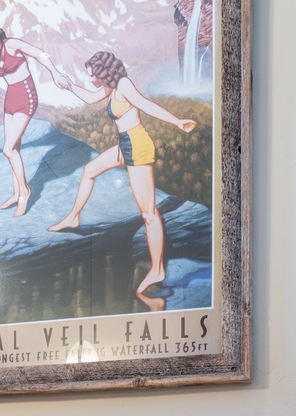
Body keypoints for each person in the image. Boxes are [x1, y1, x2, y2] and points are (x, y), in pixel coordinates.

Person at [49, 51, 197, 296]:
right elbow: (89, 98)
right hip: (125, 144)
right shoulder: (110, 88)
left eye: (94, 75)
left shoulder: (125, 85)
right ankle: (73, 217)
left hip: (137, 146)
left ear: (105, 72)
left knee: (149, 213)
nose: (92, 80)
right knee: (90, 171)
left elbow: (146, 105)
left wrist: (177, 121)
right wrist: (69, 86)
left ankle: (158, 268)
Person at [0, 25, 70, 217]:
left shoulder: (13, 44)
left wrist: (55, 73)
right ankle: (16, 193)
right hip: (10, 100)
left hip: (26, 97)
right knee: (13, 149)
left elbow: (38, 53)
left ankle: (25, 191)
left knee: (8, 149)